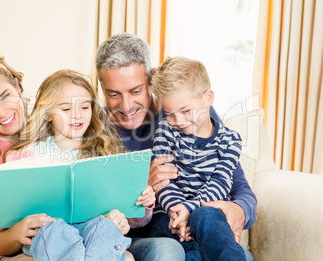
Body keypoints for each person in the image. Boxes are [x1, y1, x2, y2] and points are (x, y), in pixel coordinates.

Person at [0, 51, 130, 261]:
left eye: (5, 96)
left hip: (68, 233)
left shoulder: (51, 123)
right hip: (8, 246)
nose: (1, 112)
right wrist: (18, 229)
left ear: (18, 86)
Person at [95, 32, 256, 261]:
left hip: (199, 221)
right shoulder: (93, 128)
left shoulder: (192, 113)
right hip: (141, 236)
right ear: (101, 88)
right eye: (113, 94)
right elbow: (89, 208)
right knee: (168, 251)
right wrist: (141, 186)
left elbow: (237, 184)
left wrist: (241, 210)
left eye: (136, 91)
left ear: (152, 79)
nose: (127, 105)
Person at [0, 69, 156, 260]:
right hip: (49, 231)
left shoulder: (105, 153)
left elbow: (135, 218)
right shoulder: (28, 154)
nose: (77, 115)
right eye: (66, 109)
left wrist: (143, 202)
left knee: (107, 227)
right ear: (47, 114)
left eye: (84, 107)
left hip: (93, 232)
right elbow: (8, 214)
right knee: (51, 228)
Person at [150, 56, 247, 260]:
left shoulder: (230, 140)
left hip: (207, 211)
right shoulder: (166, 131)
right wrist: (178, 212)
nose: (178, 121)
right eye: (169, 114)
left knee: (206, 217)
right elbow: (164, 182)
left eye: (186, 111)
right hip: (170, 215)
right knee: (182, 243)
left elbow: (220, 183)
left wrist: (190, 208)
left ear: (208, 98)